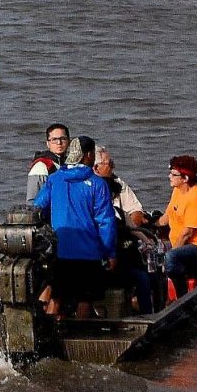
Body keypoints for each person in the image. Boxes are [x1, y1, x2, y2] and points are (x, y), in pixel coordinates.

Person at [36, 137, 118, 317]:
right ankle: (80, 336)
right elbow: (105, 221)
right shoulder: (98, 184)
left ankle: (49, 334)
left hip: (60, 251)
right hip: (88, 253)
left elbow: (38, 206)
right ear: (88, 155)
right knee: (84, 299)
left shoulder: (55, 179)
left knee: (57, 297)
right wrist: (110, 253)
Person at [94, 148, 159, 311]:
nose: (113, 167)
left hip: (102, 261)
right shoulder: (106, 213)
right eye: (110, 164)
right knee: (143, 277)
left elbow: (134, 222)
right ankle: (147, 313)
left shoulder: (116, 205)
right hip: (103, 264)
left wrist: (144, 237)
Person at [161, 154, 197, 301]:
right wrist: (146, 225)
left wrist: (169, 255)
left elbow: (187, 233)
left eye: (173, 174)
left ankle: (182, 297)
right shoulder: (177, 191)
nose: (169, 176)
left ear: (185, 178)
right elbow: (166, 217)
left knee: (171, 257)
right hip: (179, 246)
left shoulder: (196, 198)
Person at [25, 122, 70, 202]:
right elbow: (32, 200)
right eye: (54, 140)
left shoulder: (70, 165)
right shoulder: (41, 167)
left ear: (69, 141)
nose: (59, 143)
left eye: (62, 139)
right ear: (48, 144)